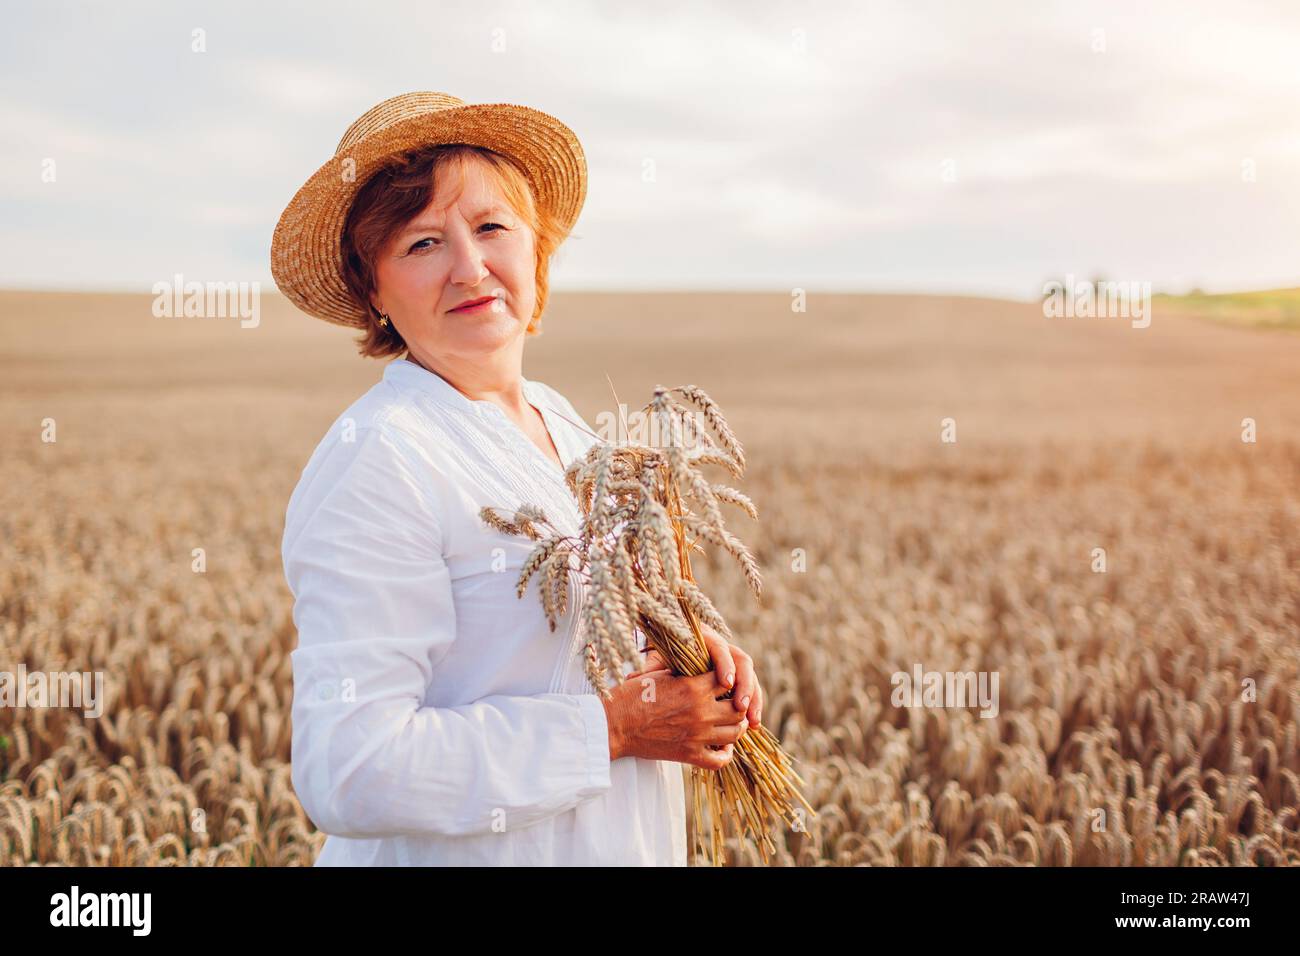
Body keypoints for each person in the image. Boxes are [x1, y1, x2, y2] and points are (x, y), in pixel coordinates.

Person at [270, 91, 764, 865]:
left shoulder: (562, 422)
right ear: (375, 290)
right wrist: (615, 728)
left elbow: (564, 644)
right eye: (422, 243)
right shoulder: (380, 460)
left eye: (492, 227)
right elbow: (352, 768)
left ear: (536, 250)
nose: (470, 267)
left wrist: (683, 648)